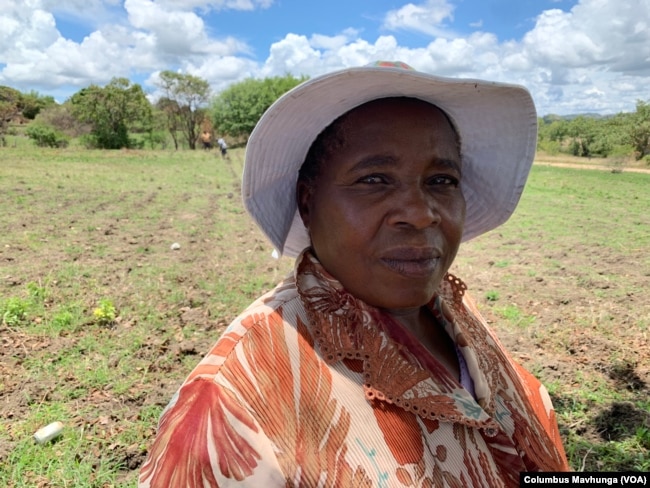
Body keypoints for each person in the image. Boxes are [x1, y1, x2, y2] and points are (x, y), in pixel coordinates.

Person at [138, 61, 569, 488]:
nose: (421, 214)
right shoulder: (229, 404)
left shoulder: (454, 310)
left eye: (441, 180)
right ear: (308, 203)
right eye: (374, 179)